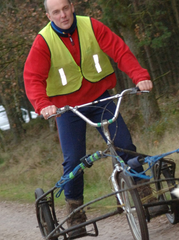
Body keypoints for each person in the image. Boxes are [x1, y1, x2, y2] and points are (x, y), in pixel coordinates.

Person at [24, 0, 161, 237]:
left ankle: (144, 194)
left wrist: (139, 76)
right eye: (56, 12)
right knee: (74, 160)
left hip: (100, 99)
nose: (63, 15)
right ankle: (76, 212)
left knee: (124, 146)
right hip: (67, 109)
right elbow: (33, 78)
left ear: (72, 6)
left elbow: (120, 50)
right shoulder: (43, 42)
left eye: (65, 8)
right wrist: (43, 105)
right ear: (48, 15)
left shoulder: (91, 26)